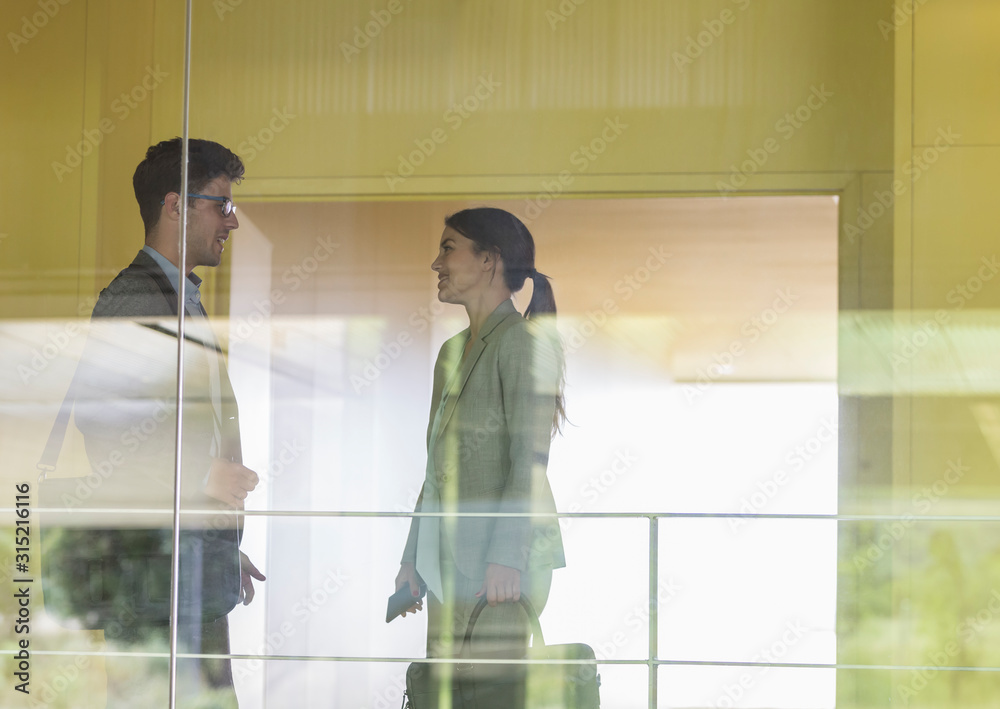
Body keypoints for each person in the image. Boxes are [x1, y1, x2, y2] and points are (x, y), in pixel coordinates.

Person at [72, 138, 265, 708]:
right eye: (222, 205)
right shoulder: (135, 297)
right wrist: (204, 477)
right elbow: (105, 425)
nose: (232, 222)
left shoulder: (181, 297)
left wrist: (218, 546)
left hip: (184, 573)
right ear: (177, 206)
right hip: (152, 583)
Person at [395, 207, 566, 685]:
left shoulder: (523, 343)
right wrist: (412, 559)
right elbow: (435, 471)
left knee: (489, 694)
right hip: (449, 559)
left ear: (489, 260)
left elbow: (528, 461)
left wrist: (507, 556)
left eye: (448, 248)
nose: (436, 263)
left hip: (502, 563)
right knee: (449, 691)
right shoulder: (452, 351)